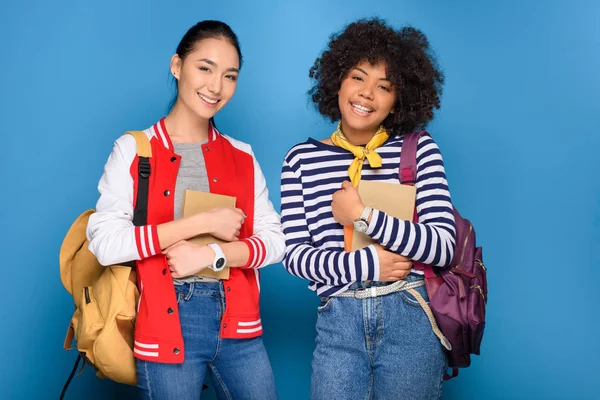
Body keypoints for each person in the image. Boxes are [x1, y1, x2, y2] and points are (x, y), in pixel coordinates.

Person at [87, 20, 284, 399]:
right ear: (177, 65)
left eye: (230, 76)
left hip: (238, 319)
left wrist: (211, 254)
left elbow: (276, 243)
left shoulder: (242, 155)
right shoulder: (134, 149)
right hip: (165, 319)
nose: (216, 86)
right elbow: (106, 244)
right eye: (204, 68)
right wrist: (199, 223)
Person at [280, 18, 456, 400]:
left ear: (398, 99)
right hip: (338, 319)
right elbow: (293, 255)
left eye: (384, 86)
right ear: (337, 81)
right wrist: (369, 264)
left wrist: (363, 215)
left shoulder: (418, 148)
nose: (367, 94)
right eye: (358, 78)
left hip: (410, 312)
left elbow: (443, 246)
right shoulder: (301, 159)